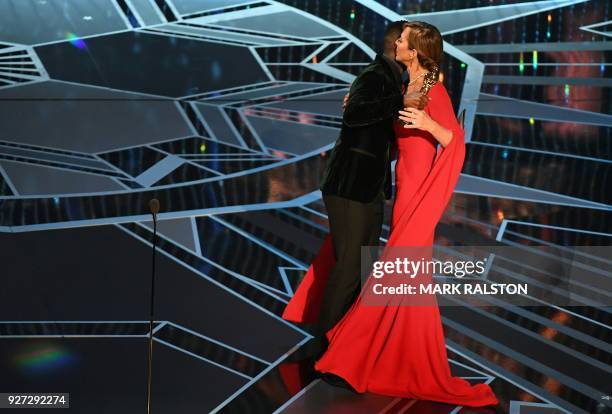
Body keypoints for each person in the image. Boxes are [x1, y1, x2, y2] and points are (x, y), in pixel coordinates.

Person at [285, 21, 499, 407]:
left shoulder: (432, 87)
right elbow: (392, 133)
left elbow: (455, 141)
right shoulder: (407, 87)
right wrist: (359, 106)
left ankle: (354, 358)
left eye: (401, 40)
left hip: (421, 196)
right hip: (403, 191)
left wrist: (432, 124)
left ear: (414, 51)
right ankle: (401, 356)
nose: (395, 43)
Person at [282, 21, 427, 364]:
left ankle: (343, 340)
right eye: (410, 42)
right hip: (349, 184)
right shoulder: (374, 75)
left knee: (361, 267)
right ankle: (323, 346)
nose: (414, 48)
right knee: (349, 266)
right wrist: (397, 103)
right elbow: (357, 114)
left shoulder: (399, 78)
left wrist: (407, 93)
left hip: (369, 187)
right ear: (397, 47)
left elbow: (429, 79)